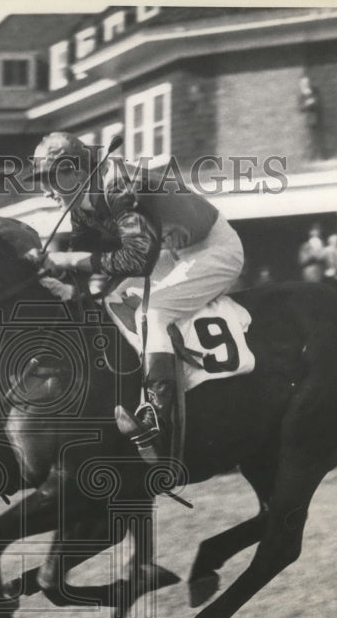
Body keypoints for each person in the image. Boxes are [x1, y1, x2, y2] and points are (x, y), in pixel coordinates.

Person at [28, 131, 244, 463]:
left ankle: (158, 422)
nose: (44, 189)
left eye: (49, 178)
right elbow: (90, 260)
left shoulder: (118, 187)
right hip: (171, 251)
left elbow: (137, 259)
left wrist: (70, 262)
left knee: (154, 312)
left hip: (214, 249)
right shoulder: (81, 201)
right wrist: (55, 276)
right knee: (111, 300)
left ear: (75, 172)